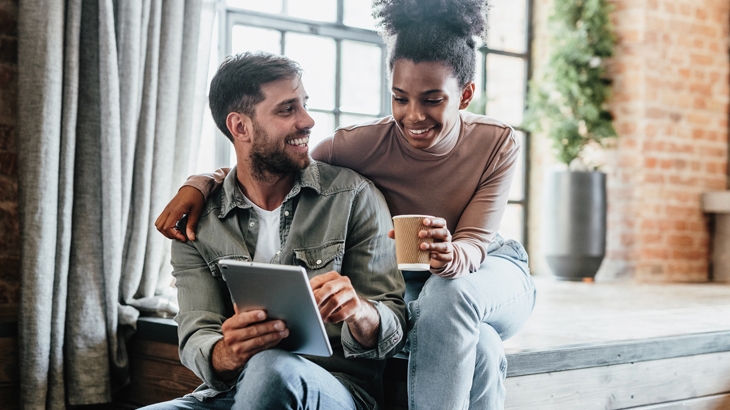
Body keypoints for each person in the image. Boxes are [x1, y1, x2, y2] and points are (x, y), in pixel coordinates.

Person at [156, 0, 536, 408]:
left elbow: (472, 247)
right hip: (409, 279)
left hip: (482, 267)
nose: (413, 115)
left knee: (450, 296)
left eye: (432, 99)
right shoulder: (354, 146)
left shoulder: (496, 140)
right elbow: (272, 164)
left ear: (464, 95)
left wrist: (445, 258)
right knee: (480, 346)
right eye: (400, 98)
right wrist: (202, 184)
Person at [144, 52, 407, 410]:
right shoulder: (198, 221)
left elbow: (392, 323)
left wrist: (360, 311)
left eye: (304, 105)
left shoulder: (352, 197)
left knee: (271, 368)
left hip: (336, 389)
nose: (308, 121)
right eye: (287, 110)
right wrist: (228, 351)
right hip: (230, 392)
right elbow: (197, 336)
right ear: (240, 127)